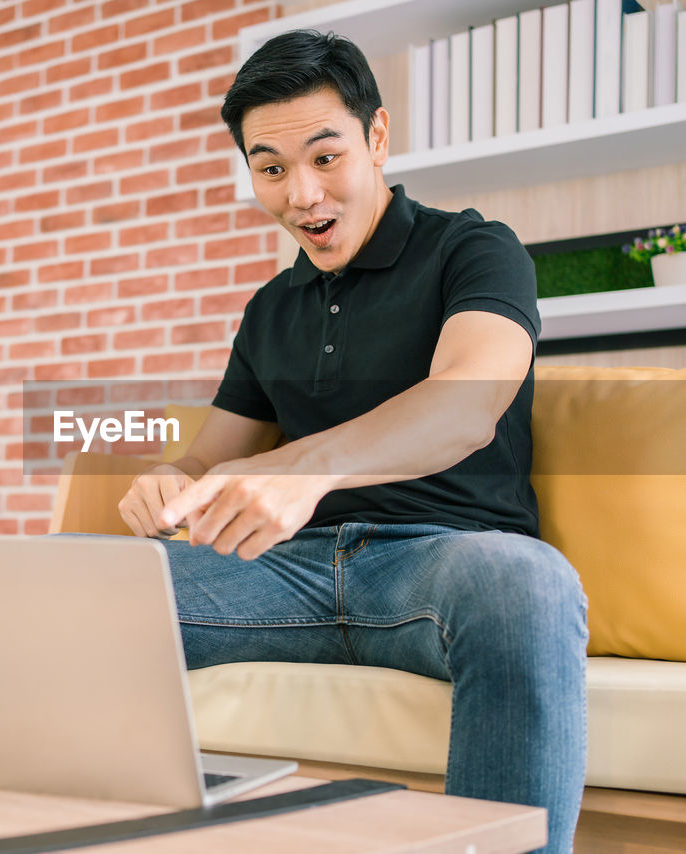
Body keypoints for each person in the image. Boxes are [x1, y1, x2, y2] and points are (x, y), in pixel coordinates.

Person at [116, 30, 587, 854]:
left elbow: (464, 406)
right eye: (270, 169)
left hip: (444, 561)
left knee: (528, 584)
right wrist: (169, 480)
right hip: (288, 575)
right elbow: (207, 456)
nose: (301, 194)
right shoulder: (270, 309)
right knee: (67, 582)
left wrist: (307, 469)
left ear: (376, 138)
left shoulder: (474, 250)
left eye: (325, 158)